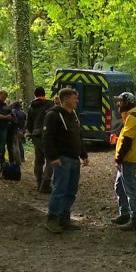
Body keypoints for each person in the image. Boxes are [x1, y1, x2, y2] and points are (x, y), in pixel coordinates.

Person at [42, 88, 89, 233]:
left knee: (71, 190)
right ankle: (52, 219)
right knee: (60, 189)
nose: (77, 101)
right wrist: (53, 157)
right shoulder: (53, 115)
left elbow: (78, 135)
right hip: (62, 158)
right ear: (66, 99)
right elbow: (47, 137)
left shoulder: (73, 115)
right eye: (75, 98)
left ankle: (65, 217)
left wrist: (83, 154)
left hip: (74, 159)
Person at [111, 92, 136, 231]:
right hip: (129, 156)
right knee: (119, 186)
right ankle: (124, 214)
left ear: (128, 102)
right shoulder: (134, 115)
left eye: (121, 101)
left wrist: (119, 157)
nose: (118, 104)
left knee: (130, 189)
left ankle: (135, 218)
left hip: (128, 158)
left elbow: (128, 139)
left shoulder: (133, 117)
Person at [26, 87, 55, 193]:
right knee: (51, 159)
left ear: (35, 95)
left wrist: (31, 132)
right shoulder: (50, 105)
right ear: (44, 94)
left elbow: (28, 124)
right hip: (47, 135)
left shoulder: (31, 107)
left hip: (35, 135)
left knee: (39, 160)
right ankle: (45, 184)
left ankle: (39, 182)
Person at [7, 100, 26, 165]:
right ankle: (22, 158)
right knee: (20, 144)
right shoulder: (23, 112)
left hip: (14, 129)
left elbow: (14, 121)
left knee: (15, 145)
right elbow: (25, 121)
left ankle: (17, 160)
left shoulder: (13, 112)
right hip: (21, 130)